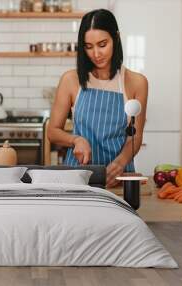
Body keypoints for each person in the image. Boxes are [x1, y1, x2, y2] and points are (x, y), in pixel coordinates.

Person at [47, 9, 148, 188]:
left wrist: (118, 165)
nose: (96, 54)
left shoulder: (137, 83)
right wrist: (76, 140)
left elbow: (135, 137)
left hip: (118, 178)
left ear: (115, 38)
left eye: (102, 44)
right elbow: (53, 131)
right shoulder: (71, 80)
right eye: (88, 46)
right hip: (78, 179)